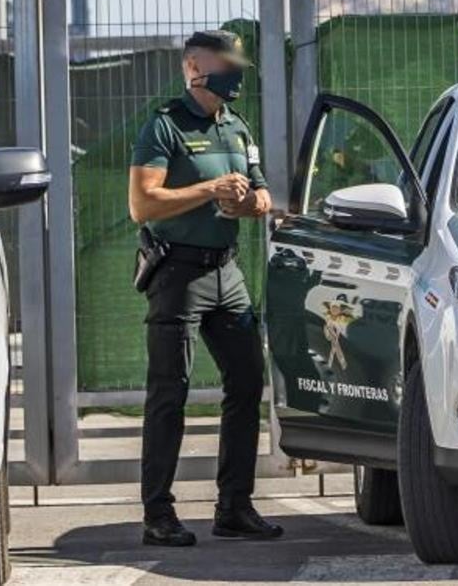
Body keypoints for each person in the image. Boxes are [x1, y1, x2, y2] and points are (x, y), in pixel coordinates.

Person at [127, 30, 282, 547]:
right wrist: (209, 190)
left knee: (247, 383)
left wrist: (247, 203)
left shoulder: (236, 127)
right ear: (195, 65)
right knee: (170, 392)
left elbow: (263, 195)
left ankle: (234, 506)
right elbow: (143, 205)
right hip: (178, 274)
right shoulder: (165, 126)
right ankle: (158, 514)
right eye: (226, 61)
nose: (235, 71)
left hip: (227, 272)